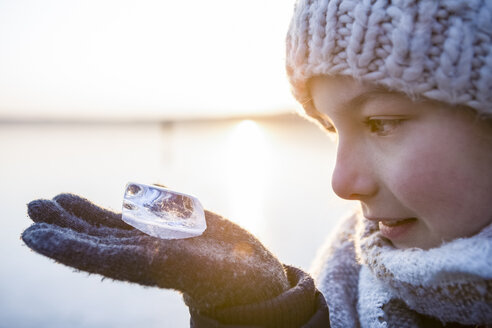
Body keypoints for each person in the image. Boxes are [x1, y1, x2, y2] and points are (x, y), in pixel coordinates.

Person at [22, 0, 492, 327]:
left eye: (381, 122)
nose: (342, 183)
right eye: (330, 128)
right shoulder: (349, 285)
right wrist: (261, 311)